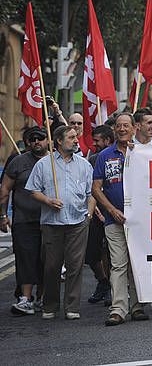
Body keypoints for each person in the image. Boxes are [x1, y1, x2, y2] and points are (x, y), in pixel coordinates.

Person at [26, 125, 93, 320]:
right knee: (51, 266)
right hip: (52, 223)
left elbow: (92, 193)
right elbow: (33, 190)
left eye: (75, 137)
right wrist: (47, 201)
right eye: (71, 137)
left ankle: (72, 307)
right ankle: (50, 305)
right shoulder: (44, 165)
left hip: (78, 222)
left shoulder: (84, 165)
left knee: (75, 265)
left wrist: (88, 214)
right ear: (59, 141)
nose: (75, 140)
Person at [92, 113, 150, 325]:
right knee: (118, 264)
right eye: (119, 126)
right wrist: (111, 210)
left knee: (137, 264)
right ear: (114, 130)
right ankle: (118, 309)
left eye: (127, 125)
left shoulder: (144, 153)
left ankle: (137, 307)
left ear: (134, 128)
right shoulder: (105, 156)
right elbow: (96, 189)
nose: (123, 129)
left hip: (140, 222)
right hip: (114, 220)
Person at [1, 127, 49, 315]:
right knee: (25, 259)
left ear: (48, 140)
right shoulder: (18, 162)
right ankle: (25, 299)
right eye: (32, 139)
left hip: (50, 221)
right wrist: (3, 215)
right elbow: (4, 189)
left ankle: (43, 297)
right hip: (24, 221)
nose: (36, 141)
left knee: (48, 261)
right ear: (27, 143)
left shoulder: (55, 161)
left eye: (40, 138)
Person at [86, 125, 114, 306]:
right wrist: (93, 208)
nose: (94, 144)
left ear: (107, 140)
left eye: (97, 141)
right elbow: (90, 187)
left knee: (111, 253)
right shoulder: (94, 159)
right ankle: (103, 281)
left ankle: (114, 288)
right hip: (96, 214)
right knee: (91, 253)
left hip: (114, 213)